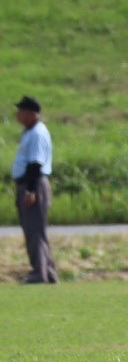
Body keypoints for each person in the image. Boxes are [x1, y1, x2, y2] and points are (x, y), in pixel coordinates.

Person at [12, 95, 57, 284]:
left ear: (31, 113)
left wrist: (30, 191)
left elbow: (35, 164)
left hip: (34, 184)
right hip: (30, 183)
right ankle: (48, 272)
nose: (18, 115)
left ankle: (40, 273)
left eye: (21, 111)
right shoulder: (30, 132)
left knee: (34, 230)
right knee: (34, 230)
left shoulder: (37, 133)